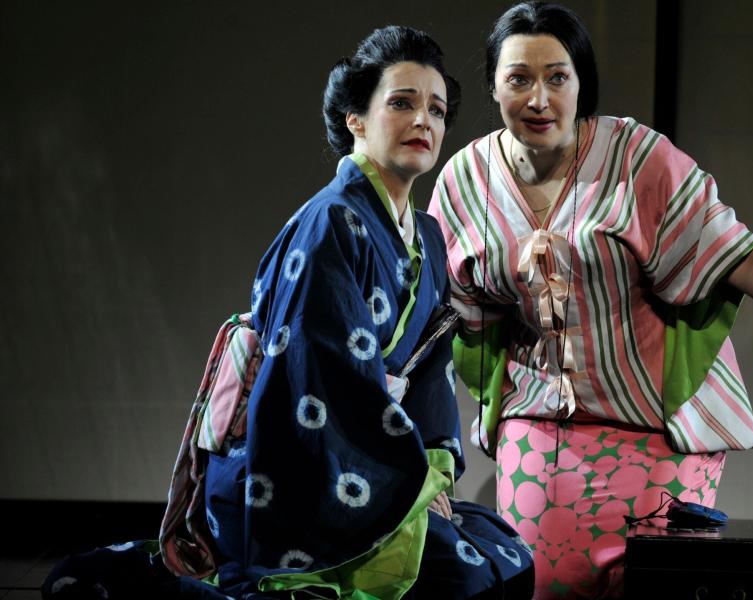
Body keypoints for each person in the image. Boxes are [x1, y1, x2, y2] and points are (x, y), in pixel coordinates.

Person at [428, 3, 753, 599]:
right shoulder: (464, 181)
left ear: (580, 82)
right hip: (539, 426)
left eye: (557, 77)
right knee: (543, 585)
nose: (539, 98)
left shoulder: (637, 157)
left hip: (658, 431)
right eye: (519, 79)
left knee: (656, 590)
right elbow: (444, 309)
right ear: (494, 85)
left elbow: (732, 249)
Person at [43, 26, 533, 600]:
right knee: (467, 578)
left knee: (507, 557)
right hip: (304, 470)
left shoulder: (424, 235)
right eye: (402, 103)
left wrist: (431, 475)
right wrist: (406, 481)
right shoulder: (330, 223)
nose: (424, 121)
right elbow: (320, 381)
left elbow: (430, 372)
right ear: (356, 117)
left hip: (387, 467)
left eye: (437, 109)